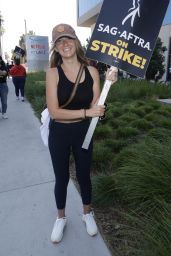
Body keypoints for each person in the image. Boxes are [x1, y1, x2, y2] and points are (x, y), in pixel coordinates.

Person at [46, 23, 118, 243]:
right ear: (56, 48)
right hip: (59, 132)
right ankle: (61, 218)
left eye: (68, 39)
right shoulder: (52, 73)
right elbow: (54, 112)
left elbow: (98, 107)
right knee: (62, 177)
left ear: (76, 42)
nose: (65, 44)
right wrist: (88, 111)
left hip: (84, 132)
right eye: (60, 41)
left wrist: (108, 85)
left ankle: (87, 213)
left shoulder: (93, 71)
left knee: (84, 174)